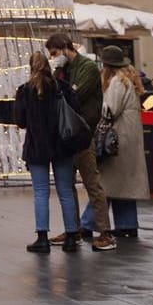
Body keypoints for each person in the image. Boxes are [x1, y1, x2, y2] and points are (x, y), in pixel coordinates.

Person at [47, 33, 111, 250]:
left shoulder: (88, 67)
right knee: (67, 186)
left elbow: (74, 94)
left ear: (65, 48)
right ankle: (72, 230)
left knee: (91, 183)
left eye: (55, 53)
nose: (54, 58)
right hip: (66, 135)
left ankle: (105, 232)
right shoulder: (63, 70)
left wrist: (63, 88)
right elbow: (56, 93)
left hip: (84, 134)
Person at [16, 52, 81, 254]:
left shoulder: (25, 91)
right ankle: (71, 236)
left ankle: (42, 238)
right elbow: (76, 112)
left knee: (41, 192)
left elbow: (20, 121)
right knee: (65, 192)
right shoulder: (62, 88)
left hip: (37, 147)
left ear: (31, 67)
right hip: (62, 146)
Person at [93, 47, 148, 241]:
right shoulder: (129, 79)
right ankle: (127, 224)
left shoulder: (117, 82)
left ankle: (87, 223)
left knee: (105, 181)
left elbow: (109, 110)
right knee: (123, 184)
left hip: (117, 138)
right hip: (128, 136)